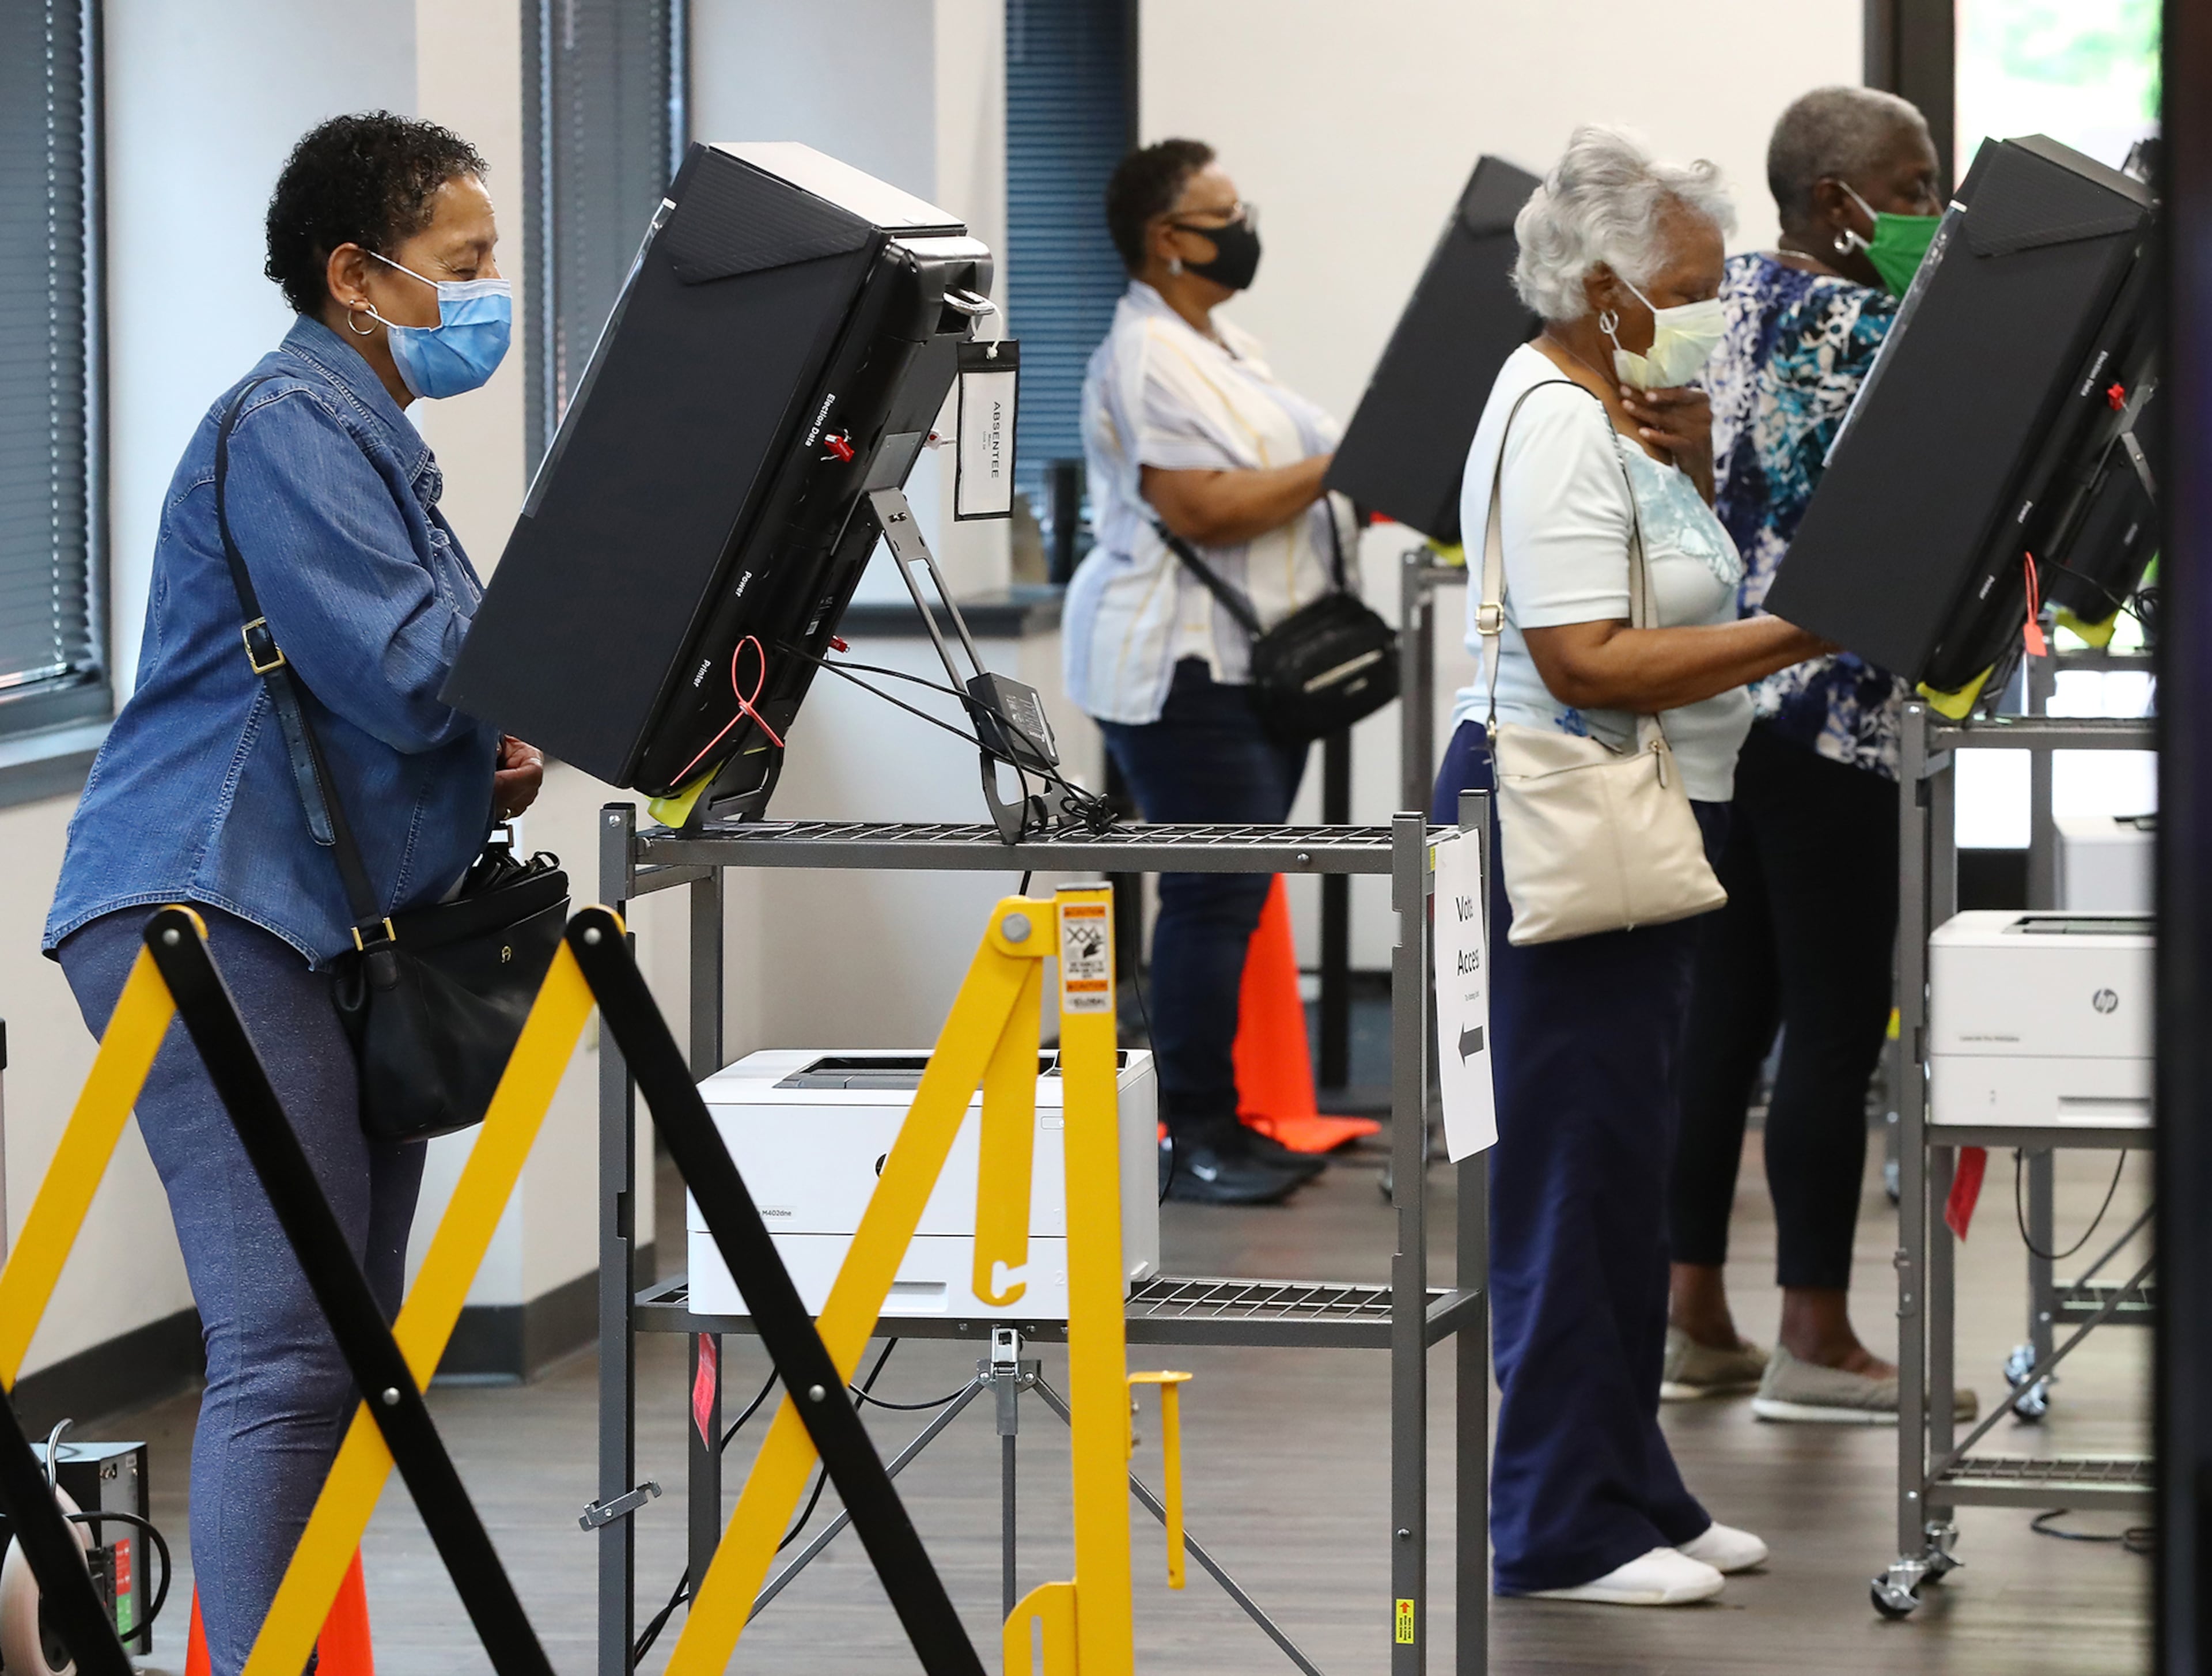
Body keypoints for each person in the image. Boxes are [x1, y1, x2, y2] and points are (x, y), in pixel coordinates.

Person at [42, 112, 540, 1673]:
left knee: (354, 1345)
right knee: (288, 1340)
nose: (486, 294)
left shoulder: (371, 437)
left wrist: (497, 747)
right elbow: (406, 673)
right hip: (209, 903)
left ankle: (282, 1650)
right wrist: (579, 642)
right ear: (355, 274)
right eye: (463, 266)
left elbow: (415, 699)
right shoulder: (289, 425)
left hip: (312, 915)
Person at [1430, 127, 1834, 1606]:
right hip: (1560, 810)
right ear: (1602, 288)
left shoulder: (1620, 403)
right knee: (1568, 1180)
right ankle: (1556, 1525)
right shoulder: (1550, 417)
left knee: (1626, 1174)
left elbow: (1664, 580)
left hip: (1645, 813)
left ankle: (1632, 1489)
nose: (1712, 308)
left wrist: (1700, 462)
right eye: (1690, 285)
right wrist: (1814, 622)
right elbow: (1586, 659)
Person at [1663, 87, 1979, 1425]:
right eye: (1912, 187)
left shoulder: (1711, 305)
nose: (1933, 208)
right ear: (1836, 203)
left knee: (1724, 1022)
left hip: (1721, 707)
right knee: (1836, 1025)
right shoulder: (1878, 330)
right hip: (1836, 712)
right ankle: (1816, 1338)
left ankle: (1691, 1318)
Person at [1064, 138, 1352, 1205]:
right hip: (1181, 666)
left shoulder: (1221, 343)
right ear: (1166, 240)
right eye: (1221, 213)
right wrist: (1341, 466)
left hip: (1247, 665)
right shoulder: (1146, 356)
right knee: (1211, 896)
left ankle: (1221, 1120)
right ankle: (1196, 1136)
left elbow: (1288, 473)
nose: (1244, 227)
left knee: (1228, 895)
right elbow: (1201, 506)